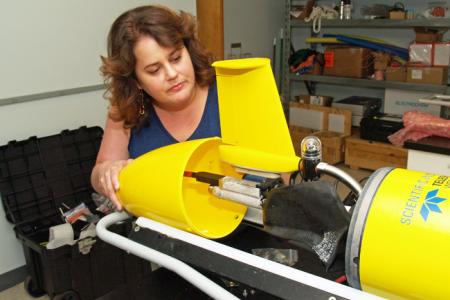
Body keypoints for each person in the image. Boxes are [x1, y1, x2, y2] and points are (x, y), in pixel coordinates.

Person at [91, 5, 220, 210]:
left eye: (176, 58)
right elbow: (98, 173)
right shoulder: (131, 108)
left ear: (188, 49)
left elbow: (280, 175)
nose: (171, 74)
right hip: (159, 230)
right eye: (154, 70)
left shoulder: (227, 93)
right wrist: (107, 172)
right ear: (136, 81)